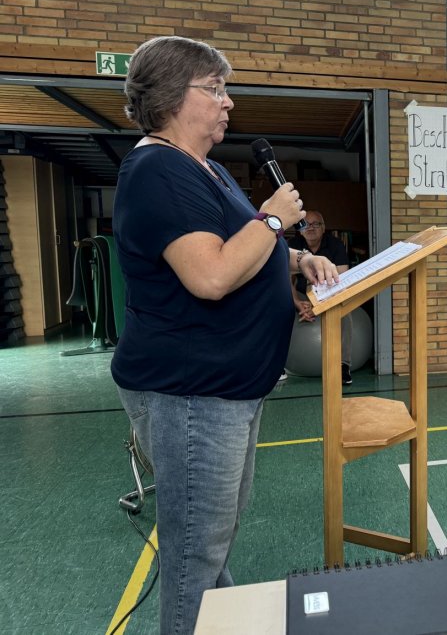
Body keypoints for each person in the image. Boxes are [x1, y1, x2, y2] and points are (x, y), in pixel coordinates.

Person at [111, 35, 339, 635]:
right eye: (214, 89)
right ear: (171, 98)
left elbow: (239, 247)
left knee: (209, 546)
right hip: (191, 393)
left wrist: (298, 259)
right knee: (195, 556)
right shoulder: (158, 169)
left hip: (226, 390)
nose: (228, 102)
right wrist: (273, 216)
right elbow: (210, 276)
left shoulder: (203, 169)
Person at [289, 210, 354, 384]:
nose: (310, 228)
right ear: (300, 229)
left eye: (316, 224)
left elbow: (342, 280)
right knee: (278, 305)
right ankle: (277, 365)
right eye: (306, 224)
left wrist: (317, 306)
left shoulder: (336, 245)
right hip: (302, 294)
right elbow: (284, 277)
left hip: (329, 293)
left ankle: (343, 365)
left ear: (323, 228)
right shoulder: (293, 245)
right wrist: (296, 302)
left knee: (346, 314)